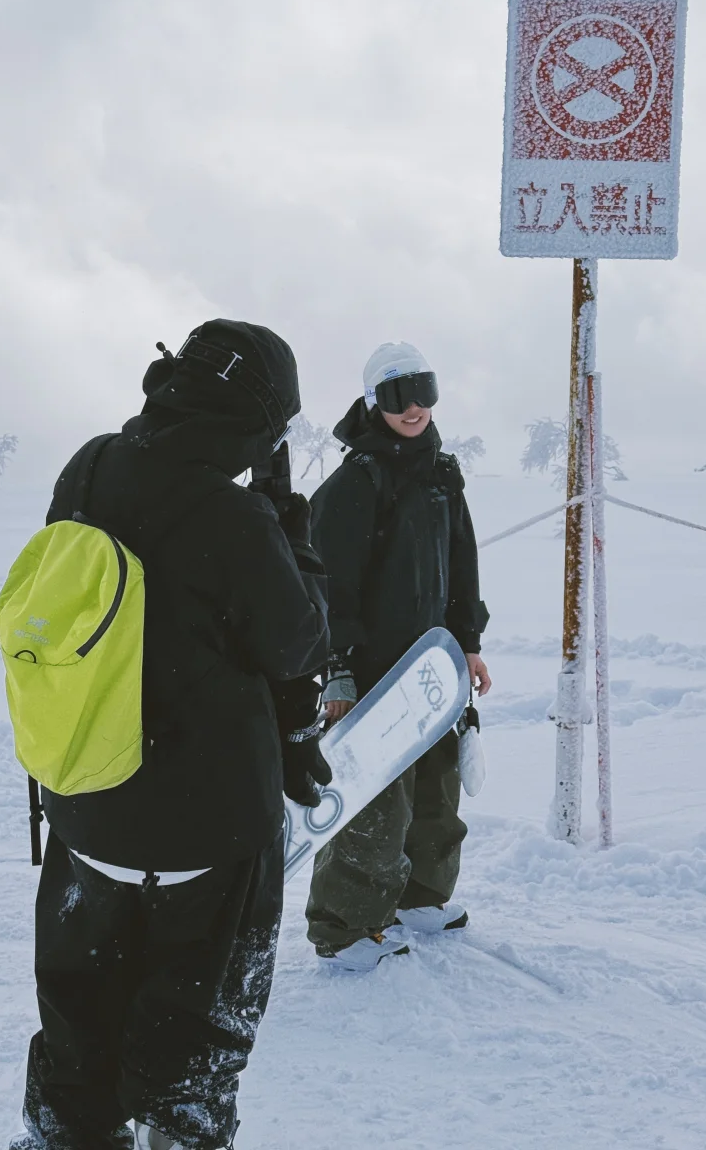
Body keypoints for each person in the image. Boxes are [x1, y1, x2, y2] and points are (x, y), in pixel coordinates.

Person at [13, 320, 331, 1150]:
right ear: (258, 422)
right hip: (208, 835)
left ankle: (63, 1135)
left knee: (79, 1032)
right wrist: (286, 516)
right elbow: (299, 640)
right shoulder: (233, 515)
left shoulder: (88, 466)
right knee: (192, 1050)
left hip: (85, 811)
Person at [304, 342, 491, 971]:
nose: (413, 408)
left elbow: (461, 563)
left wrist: (468, 642)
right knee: (376, 801)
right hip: (376, 674)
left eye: (424, 392)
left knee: (438, 790)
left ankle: (419, 897)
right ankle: (346, 928)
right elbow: (326, 588)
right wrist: (339, 670)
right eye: (396, 396)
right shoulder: (354, 483)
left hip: (433, 664)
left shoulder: (442, 473)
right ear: (371, 403)